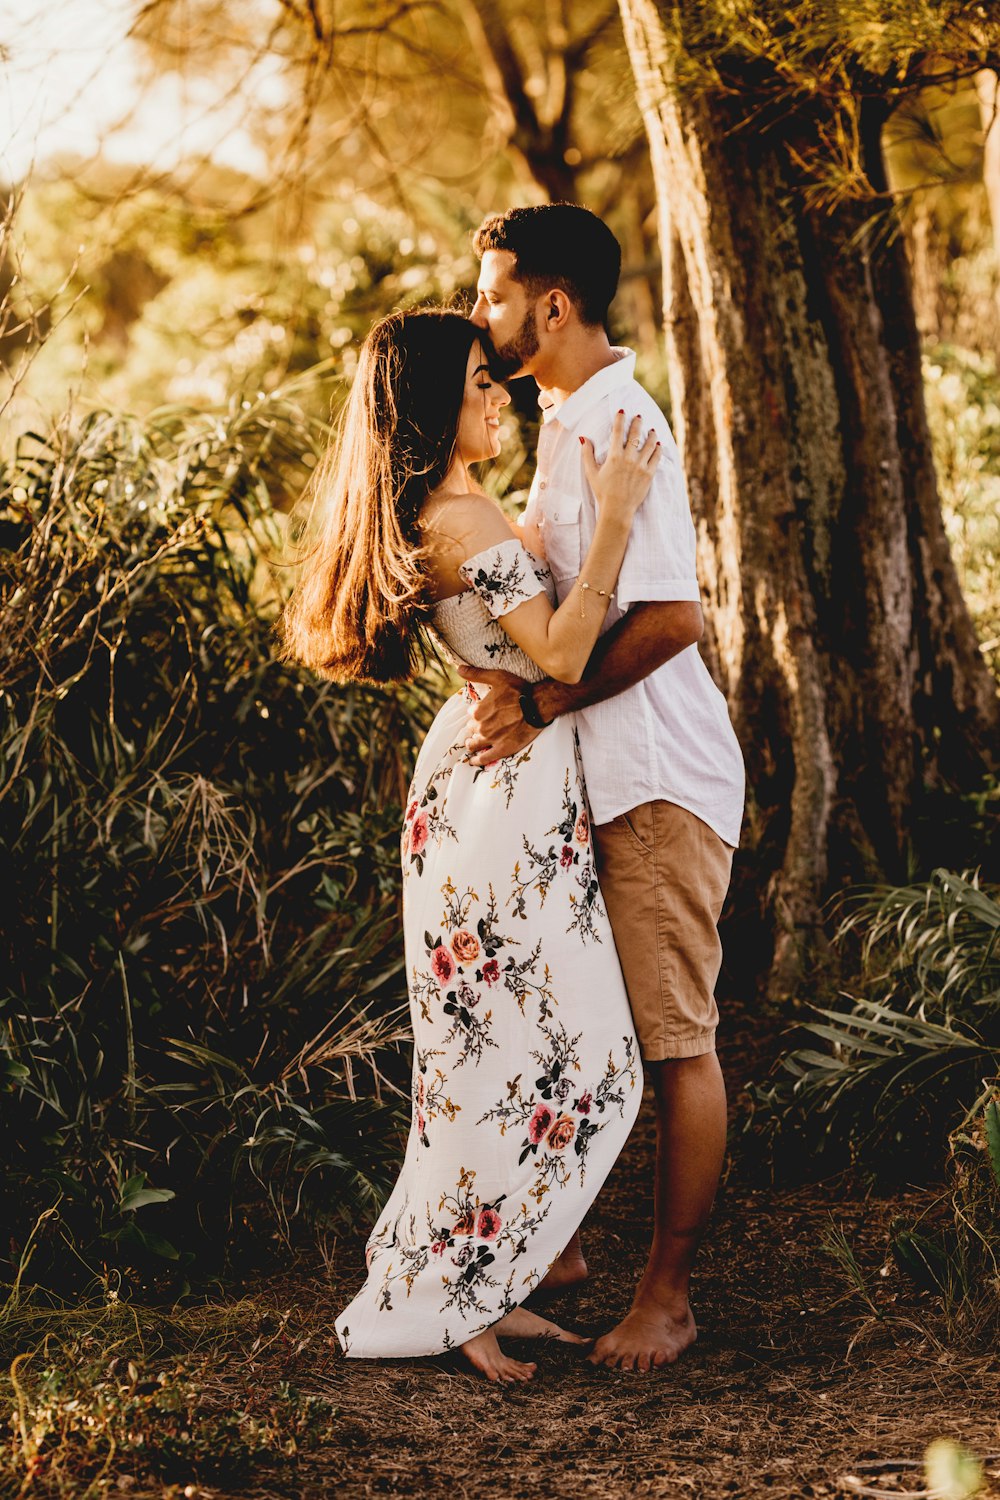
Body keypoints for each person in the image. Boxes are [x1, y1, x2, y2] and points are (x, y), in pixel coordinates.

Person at [281, 308, 662, 1382]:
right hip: (496, 803)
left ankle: (478, 1288)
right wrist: (619, 520)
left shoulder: (455, 507)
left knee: (498, 1060)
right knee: (549, 1060)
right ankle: (449, 1302)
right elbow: (566, 647)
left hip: (494, 789)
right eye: (483, 384)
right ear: (438, 401)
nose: (501, 396)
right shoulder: (456, 516)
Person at [466, 204, 746, 1373]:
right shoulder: (565, 418)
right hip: (597, 780)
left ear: (553, 304)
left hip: (654, 778)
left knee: (676, 1041)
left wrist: (542, 703)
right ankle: (566, 1248)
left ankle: (667, 1297)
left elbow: (675, 617)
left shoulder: (622, 420)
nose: (480, 315)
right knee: (589, 1026)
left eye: (491, 295)